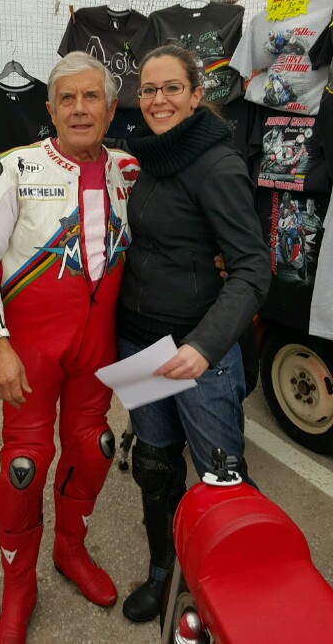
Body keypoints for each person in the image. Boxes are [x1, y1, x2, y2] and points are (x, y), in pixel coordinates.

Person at [0, 51, 138, 644]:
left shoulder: (129, 169)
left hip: (98, 352)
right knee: (24, 467)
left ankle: (70, 550)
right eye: (67, 99)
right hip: (31, 352)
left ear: (110, 107)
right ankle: (18, 587)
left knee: (95, 448)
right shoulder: (12, 168)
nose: (80, 109)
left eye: (91, 97)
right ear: (50, 109)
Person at [116, 44, 271, 624]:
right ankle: (164, 572)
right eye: (149, 90)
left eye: (172, 88)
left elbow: (252, 268)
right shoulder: (149, 156)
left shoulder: (217, 164)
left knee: (219, 476)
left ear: (197, 94)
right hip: (141, 341)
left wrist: (204, 346)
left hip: (198, 350)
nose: (158, 100)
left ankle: (226, 587)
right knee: (155, 467)